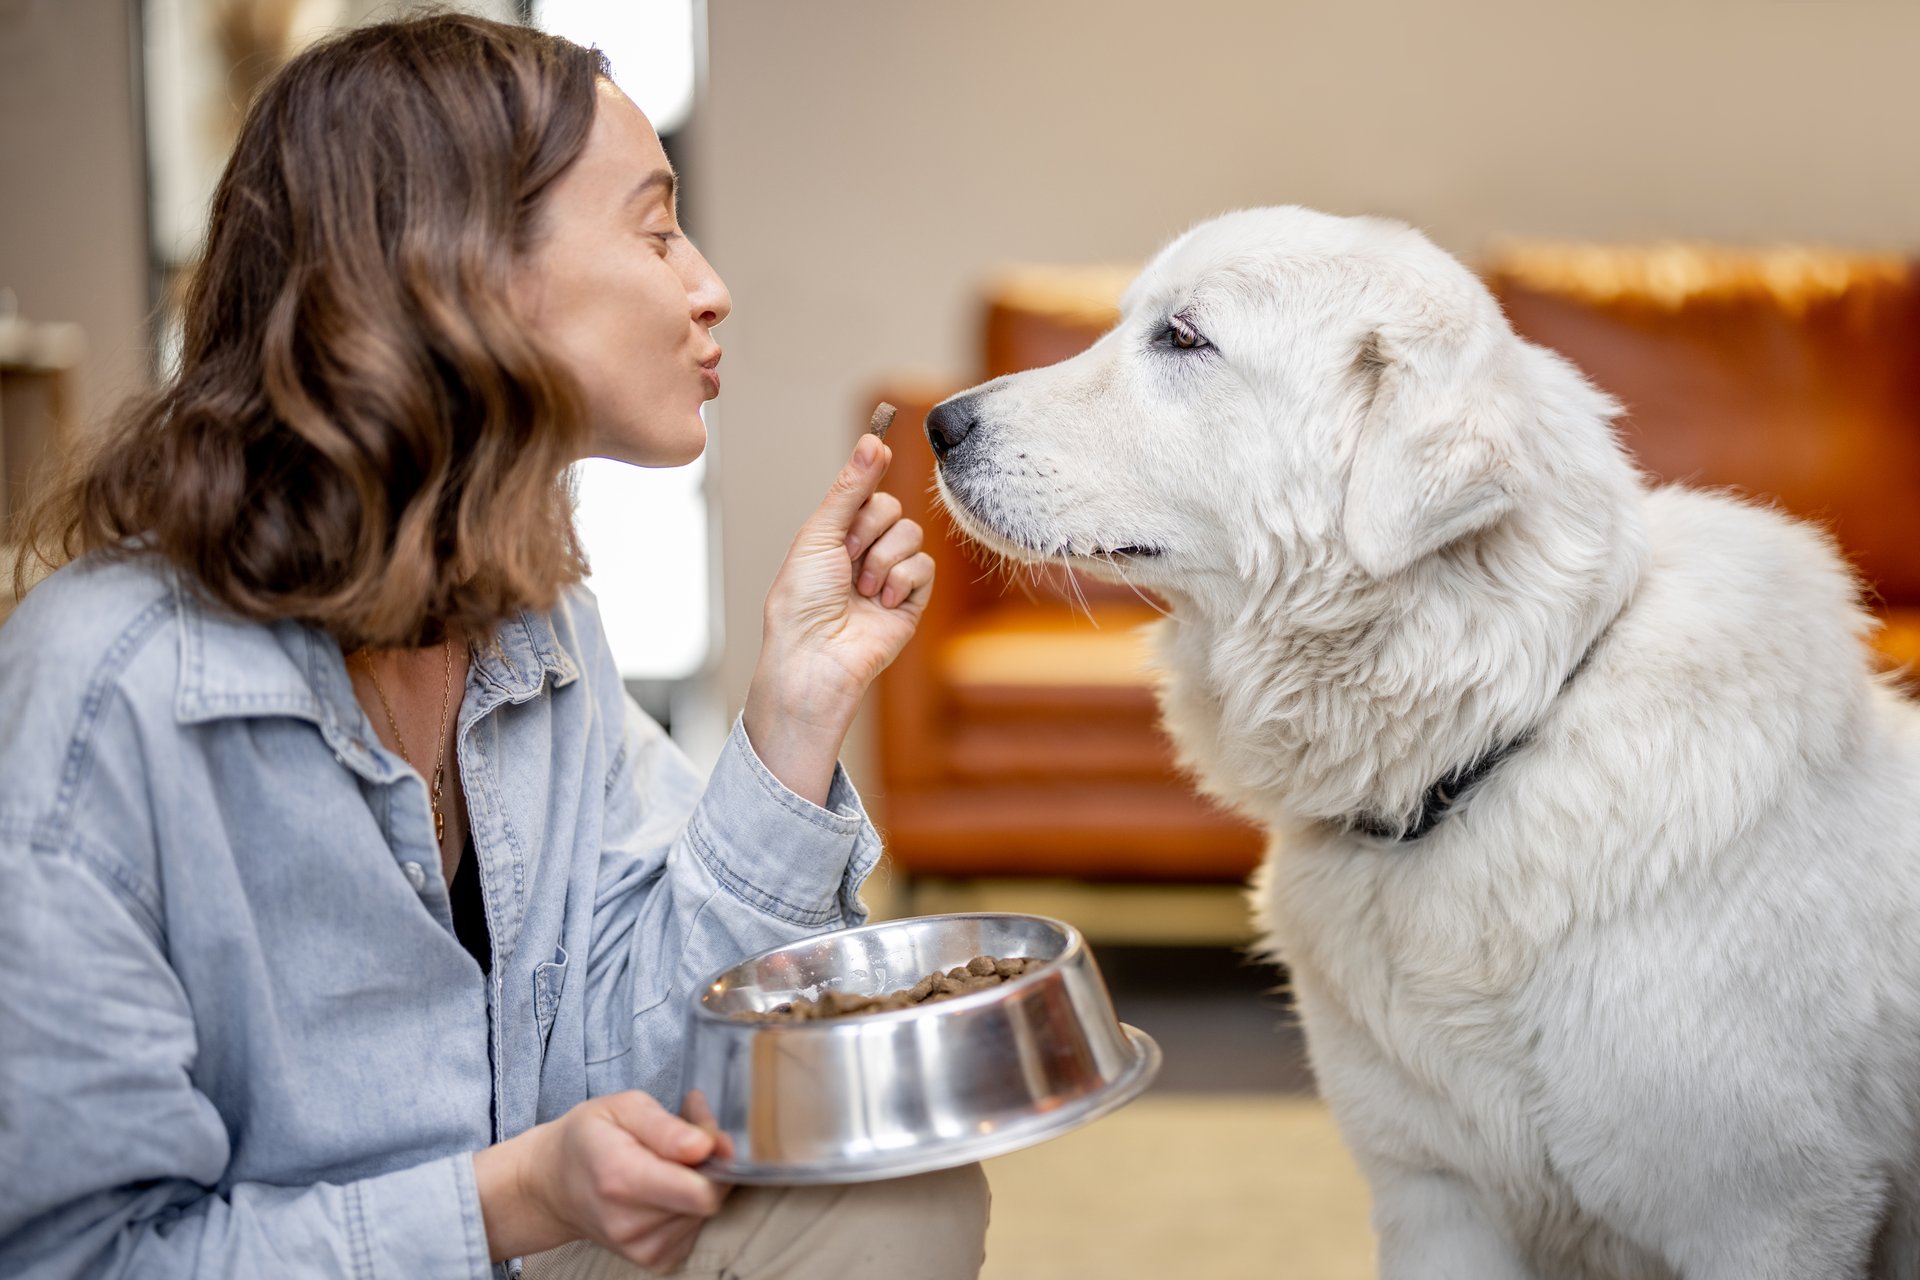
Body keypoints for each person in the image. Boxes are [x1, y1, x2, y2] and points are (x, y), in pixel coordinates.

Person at [0, 14, 987, 1279]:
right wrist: (508, 1201)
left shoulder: (534, 613)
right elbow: (76, 1258)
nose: (709, 283)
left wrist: (794, 712)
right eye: (653, 227)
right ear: (458, 272)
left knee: (895, 1193)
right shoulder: (101, 697)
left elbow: (648, 1067)